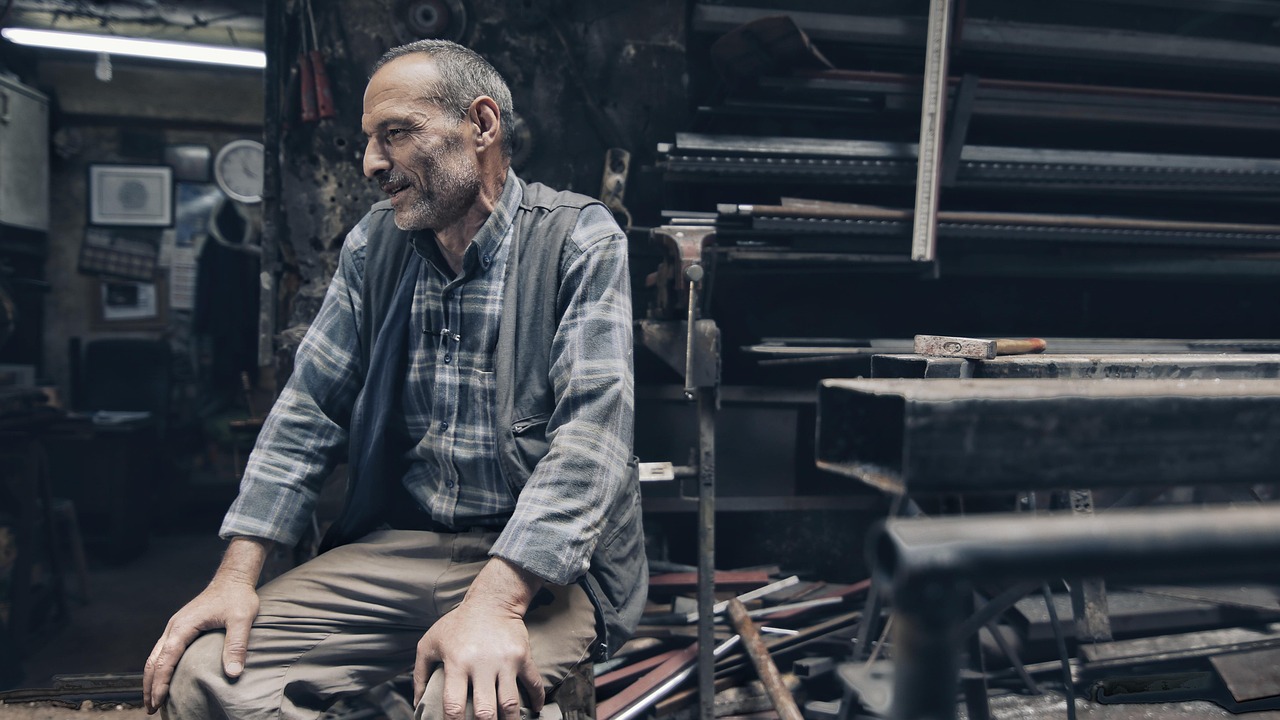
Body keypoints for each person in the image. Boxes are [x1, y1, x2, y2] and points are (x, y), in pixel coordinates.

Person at [142, 39, 646, 720]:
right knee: (206, 678)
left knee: (462, 703)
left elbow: (591, 441)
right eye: (369, 139)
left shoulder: (579, 239)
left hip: (540, 570)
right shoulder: (373, 245)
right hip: (400, 549)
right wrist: (236, 575)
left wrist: (496, 603)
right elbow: (307, 412)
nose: (371, 162)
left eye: (396, 133)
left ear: (482, 125)